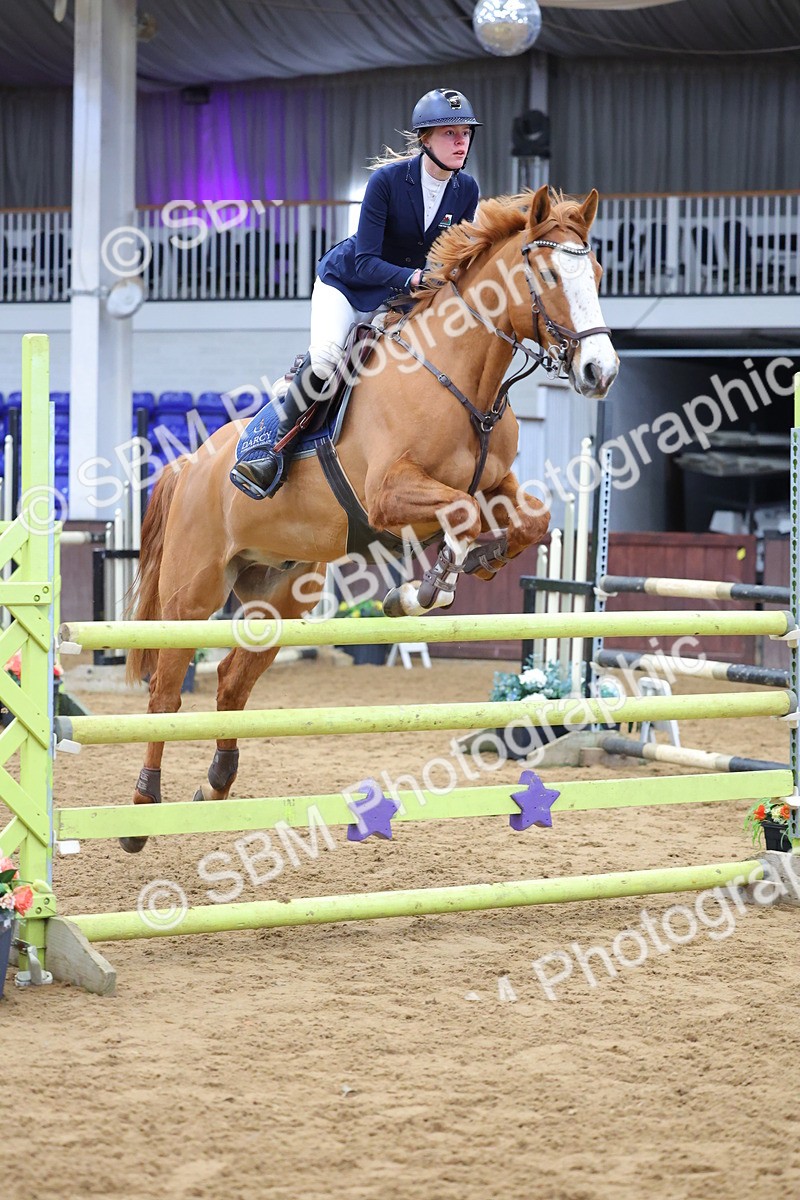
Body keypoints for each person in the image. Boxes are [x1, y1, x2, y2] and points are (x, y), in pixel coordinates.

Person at [231, 87, 482, 499]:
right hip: (348, 283)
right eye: (449, 133)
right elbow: (366, 261)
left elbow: (454, 255)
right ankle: (269, 448)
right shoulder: (387, 181)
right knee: (329, 359)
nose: (460, 141)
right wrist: (416, 279)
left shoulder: (466, 189)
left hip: (399, 295)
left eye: (465, 133)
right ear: (425, 139)